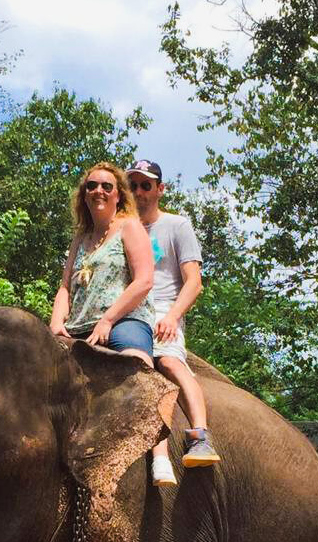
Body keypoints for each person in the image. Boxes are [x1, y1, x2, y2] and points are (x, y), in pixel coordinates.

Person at [126, 159, 221, 486]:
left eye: (146, 185)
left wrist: (172, 316)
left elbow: (193, 281)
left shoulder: (177, 225)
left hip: (165, 308)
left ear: (160, 189)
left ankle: (200, 436)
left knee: (168, 362)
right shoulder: (123, 228)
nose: (138, 192)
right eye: (133, 185)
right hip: (130, 311)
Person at [50, 162, 154, 367]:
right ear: (84, 195)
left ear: (119, 195)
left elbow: (144, 281)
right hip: (77, 327)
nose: (99, 191)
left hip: (122, 323)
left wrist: (107, 320)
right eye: (91, 186)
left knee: (137, 368)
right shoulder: (80, 238)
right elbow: (65, 288)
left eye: (107, 187)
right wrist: (55, 323)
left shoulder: (130, 226)